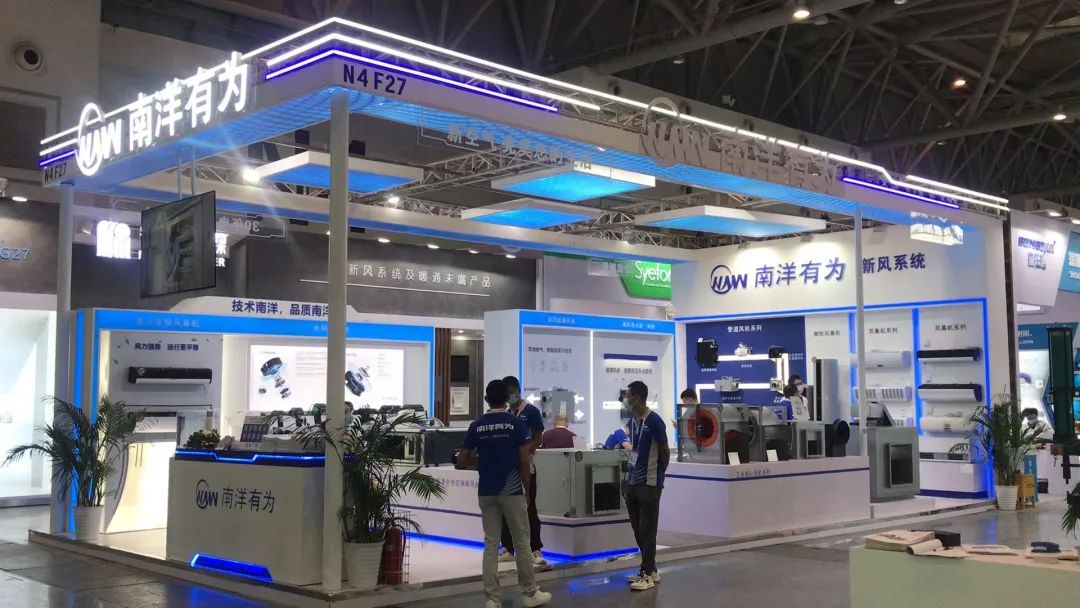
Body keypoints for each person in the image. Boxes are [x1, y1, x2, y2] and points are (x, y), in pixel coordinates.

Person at [457, 380, 551, 608]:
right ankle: (529, 594)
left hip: (486, 490)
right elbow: (524, 460)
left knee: (491, 545)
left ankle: (491, 599)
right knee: (522, 542)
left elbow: (462, 460)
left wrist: (482, 461)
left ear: (486, 400)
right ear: (507, 398)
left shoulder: (477, 425)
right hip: (512, 490)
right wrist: (526, 491)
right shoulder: (515, 423)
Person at [623, 380, 669, 591]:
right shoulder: (633, 421)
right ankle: (650, 569)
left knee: (647, 529)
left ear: (638, 397)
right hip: (633, 481)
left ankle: (646, 573)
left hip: (650, 483)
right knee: (637, 529)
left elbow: (664, 451)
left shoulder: (655, 421)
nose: (626, 400)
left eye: (628, 396)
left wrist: (658, 475)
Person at [499, 376, 548, 569]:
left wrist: (526, 451)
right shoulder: (506, 413)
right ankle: (508, 548)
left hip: (528, 467)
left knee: (529, 507)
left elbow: (539, 439)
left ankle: (535, 548)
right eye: (506, 394)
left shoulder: (531, 411)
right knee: (505, 509)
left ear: (518, 390)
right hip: (507, 468)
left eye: (511, 393)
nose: (509, 397)